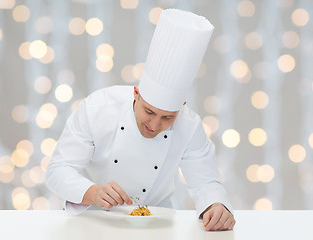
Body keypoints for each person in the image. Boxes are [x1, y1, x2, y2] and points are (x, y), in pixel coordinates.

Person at [45, 9, 235, 231]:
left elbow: (206, 182)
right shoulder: (98, 109)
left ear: (181, 108)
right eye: (149, 112)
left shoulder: (189, 125)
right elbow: (58, 171)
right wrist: (94, 193)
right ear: (136, 93)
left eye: (167, 117)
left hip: (158, 224)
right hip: (94, 221)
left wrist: (216, 205)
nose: (154, 126)